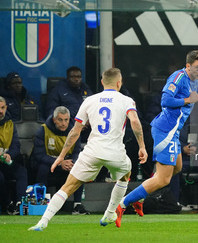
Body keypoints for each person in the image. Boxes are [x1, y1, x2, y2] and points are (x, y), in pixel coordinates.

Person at [28, 68, 147, 231]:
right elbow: (134, 121)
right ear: (119, 83)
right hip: (115, 153)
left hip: (92, 151)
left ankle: (42, 222)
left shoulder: (90, 100)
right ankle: (110, 213)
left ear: (102, 82)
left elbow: (75, 131)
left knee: (68, 187)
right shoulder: (126, 100)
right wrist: (142, 146)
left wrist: (61, 156)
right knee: (125, 175)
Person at [115, 50, 198, 227]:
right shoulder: (178, 77)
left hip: (173, 132)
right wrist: (186, 99)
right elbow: (165, 101)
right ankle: (123, 204)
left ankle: (141, 195)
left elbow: (196, 98)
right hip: (165, 131)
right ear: (188, 66)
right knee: (163, 179)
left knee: (177, 167)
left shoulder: (193, 81)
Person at [30, 106, 89, 215]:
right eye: (60, 120)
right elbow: (39, 155)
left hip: (65, 163)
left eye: (66, 120)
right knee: (42, 168)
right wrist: (59, 163)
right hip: (47, 164)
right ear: (54, 120)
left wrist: (72, 163)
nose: (63, 123)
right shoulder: (43, 130)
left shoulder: (74, 132)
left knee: (79, 168)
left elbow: (77, 152)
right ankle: (41, 201)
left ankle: (77, 205)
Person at [0, 96, 27, 214]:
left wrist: (10, 155)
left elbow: (16, 146)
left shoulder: (10, 124)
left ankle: (20, 204)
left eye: (2, 107)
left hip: (4, 161)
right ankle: (8, 204)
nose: (0, 111)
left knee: (22, 171)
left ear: (6, 108)